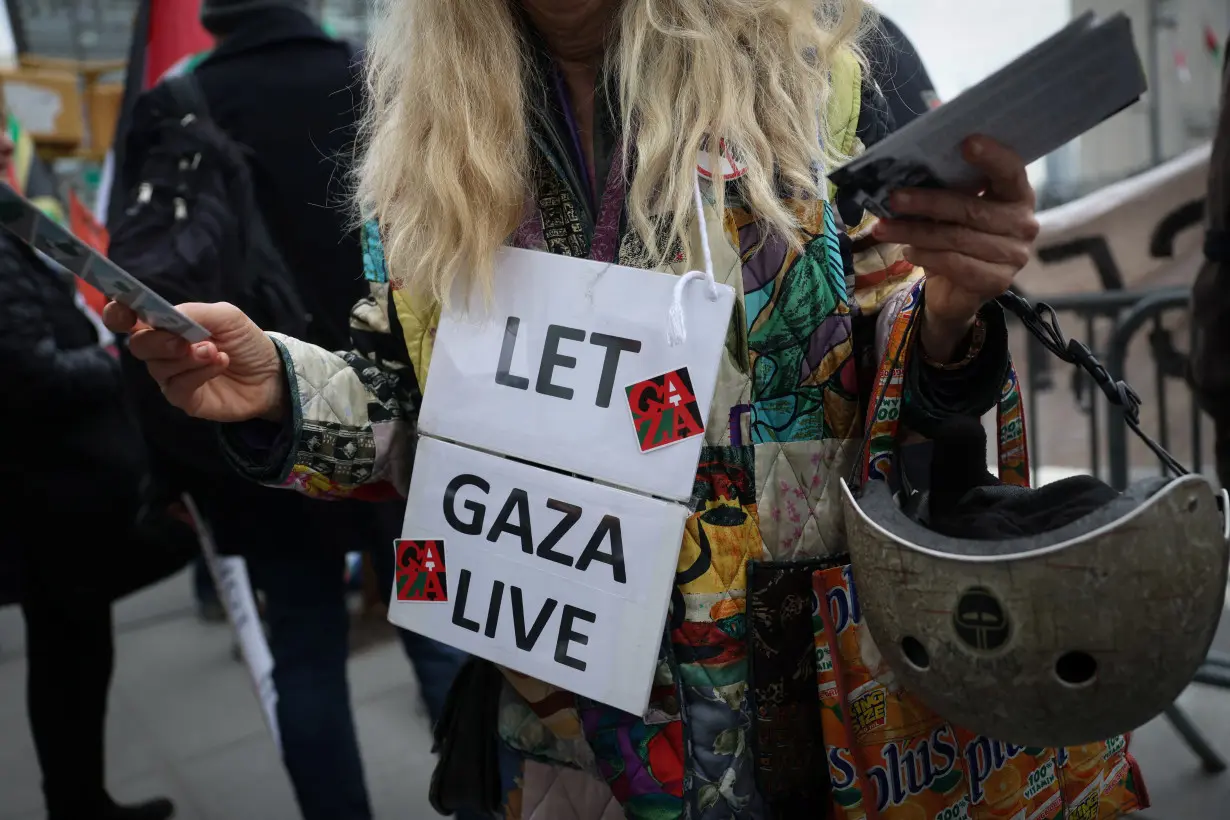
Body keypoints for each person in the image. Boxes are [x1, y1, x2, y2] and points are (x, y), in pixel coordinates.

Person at [108, 1, 1145, 818]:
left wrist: (958, 314)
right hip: (565, 711)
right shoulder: (427, 135)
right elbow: (416, 417)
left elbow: (912, 410)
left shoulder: (822, 68)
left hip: (820, 696)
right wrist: (280, 389)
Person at [112, 2, 469, 819]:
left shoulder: (175, 102)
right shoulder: (376, 78)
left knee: (304, 654)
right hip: (403, 409)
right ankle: (488, 803)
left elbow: (146, 299)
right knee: (440, 629)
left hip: (255, 419)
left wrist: (168, 468)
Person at [0, 130, 175, 818]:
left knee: (72, 655)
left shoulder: (14, 229)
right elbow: (27, 372)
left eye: (7, 152)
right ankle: (76, 802)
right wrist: (109, 358)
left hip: (55, 494)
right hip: (50, 498)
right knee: (69, 659)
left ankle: (81, 798)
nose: (9, 167)